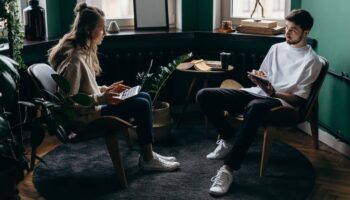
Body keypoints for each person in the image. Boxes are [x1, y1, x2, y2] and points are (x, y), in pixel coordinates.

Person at [196, 9, 321, 196]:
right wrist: (258, 78)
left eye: (293, 29)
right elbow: (265, 75)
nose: (287, 33)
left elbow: (298, 99)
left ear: (306, 32)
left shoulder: (312, 61)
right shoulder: (276, 48)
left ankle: (228, 169)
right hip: (259, 93)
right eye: (286, 28)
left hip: (281, 102)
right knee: (204, 95)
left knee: (254, 107)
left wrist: (274, 92)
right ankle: (228, 137)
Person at [48, 2, 180, 172]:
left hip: (93, 110)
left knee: (144, 96)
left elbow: (86, 89)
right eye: (101, 28)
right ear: (89, 30)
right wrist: (102, 98)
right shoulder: (74, 60)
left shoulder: (82, 50)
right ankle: (148, 159)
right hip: (85, 120)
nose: (104, 33)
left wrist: (106, 89)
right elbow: (68, 105)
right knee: (141, 104)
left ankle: (149, 154)